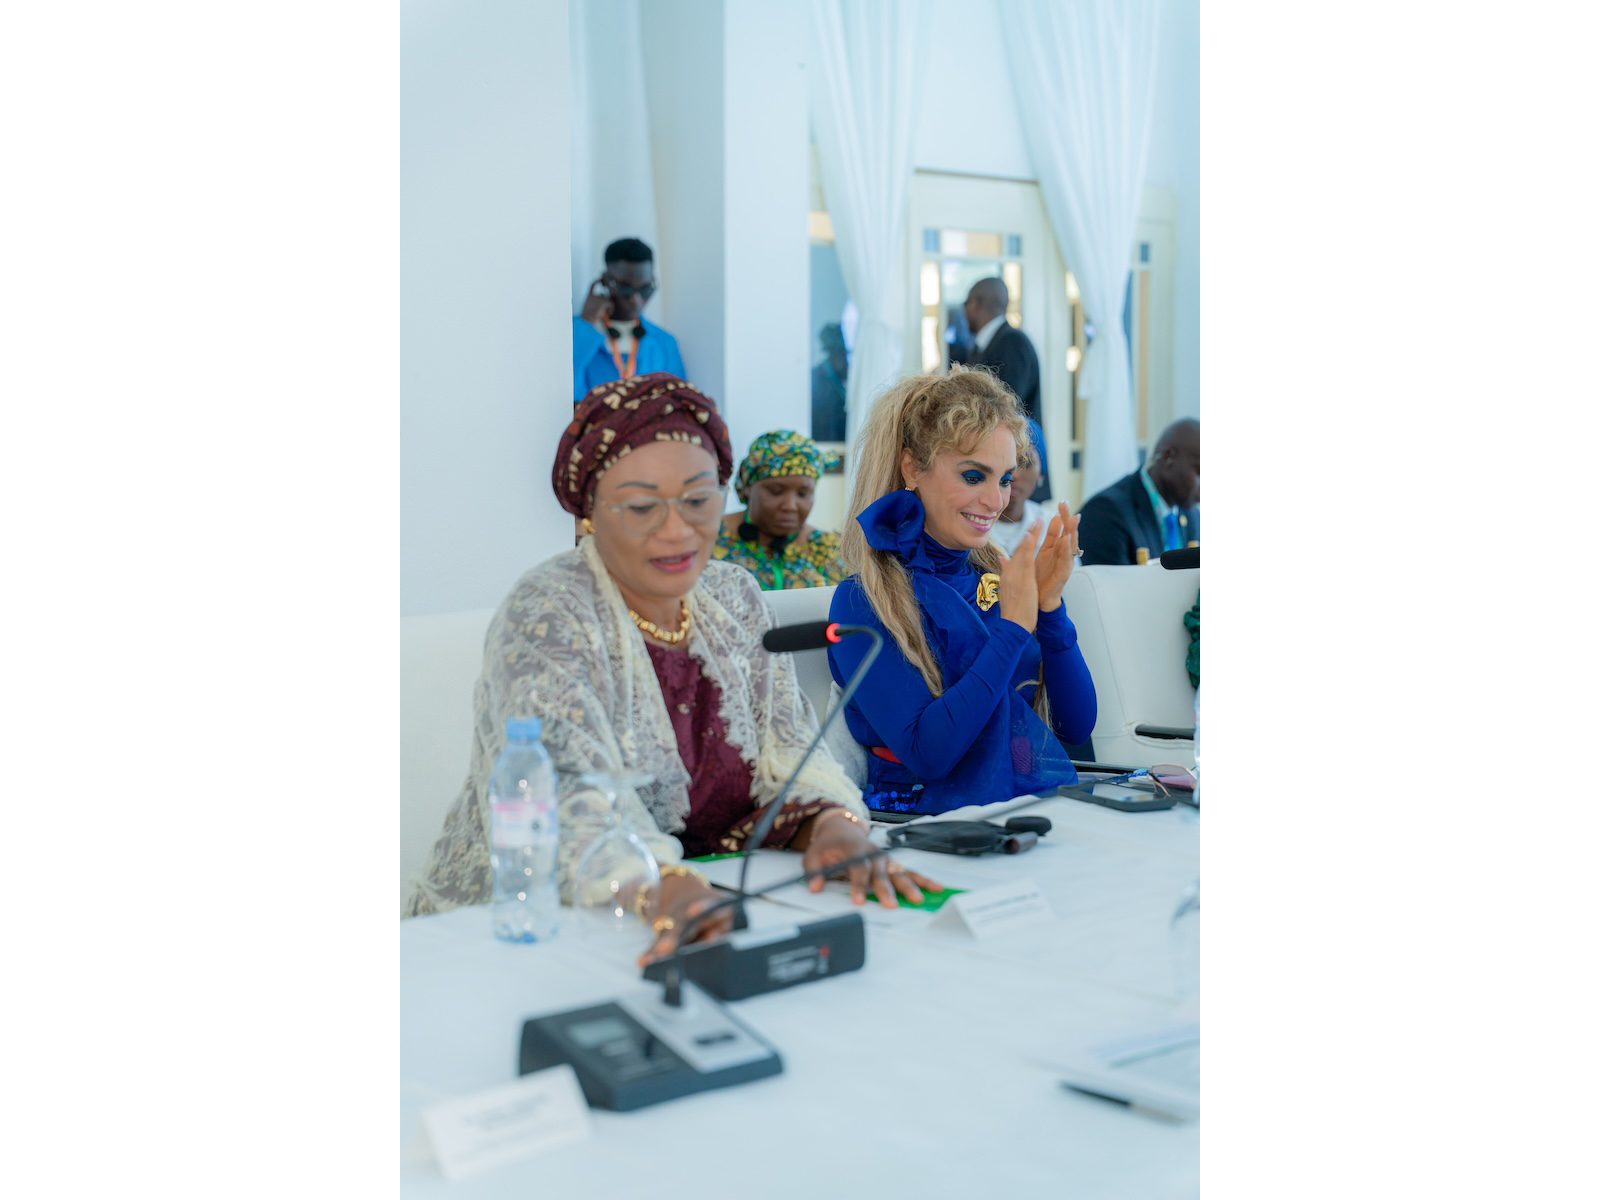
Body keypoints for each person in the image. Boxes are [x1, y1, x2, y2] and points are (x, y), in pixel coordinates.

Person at [409, 373, 936, 960]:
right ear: (588, 512)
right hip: (531, 927)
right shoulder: (549, 612)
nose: (677, 529)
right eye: (641, 506)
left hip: (724, 901)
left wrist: (834, 828)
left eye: (698, 499)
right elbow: (565, 801)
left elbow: (791, 751)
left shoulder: (735, 597)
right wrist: (664, 887)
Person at [826, 367, 1097, 815]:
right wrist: (1012, 630)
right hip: (917, 827)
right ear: (912, 468)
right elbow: (930, 755)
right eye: (974, 476)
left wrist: (1049, 608)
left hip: (1023, 809)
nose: (996, 501)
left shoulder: (998, 579)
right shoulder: (864, 601)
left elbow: (1076, 727)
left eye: (1005, 479)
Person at [713, 430, 847, 590]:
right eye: (776, 491)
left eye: (803, 494)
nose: (790, 506)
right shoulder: (710, 538)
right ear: (748, 487)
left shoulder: (829, 550)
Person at [963, 277, 1049, 499]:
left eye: (966, 304)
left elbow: (1006, 409)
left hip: (1016, 470)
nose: (964, 312)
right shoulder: (985, 345)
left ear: (976, 303)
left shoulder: (1012, 343)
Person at [571, 238, 686, 404]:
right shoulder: (576, 334)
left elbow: (682, 403)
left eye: (645, 289)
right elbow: (560, 393)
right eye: (625, 288)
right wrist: (586, 323)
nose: (635, 300)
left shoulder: (664, 342)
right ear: (604, 281)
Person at [1077, 417, 1200, 566]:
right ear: (1168, 458)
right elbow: (1112, 581)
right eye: (1200, 472)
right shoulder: (1105, 513)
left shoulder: (1191, 515)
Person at [990, 418, 1048, 556]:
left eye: (1026, 463)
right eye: (1002, 461)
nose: (1014, 475)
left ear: (1041, 473)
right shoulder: (966, 524)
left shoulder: (1053, 526)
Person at [809, 323, 848, 442]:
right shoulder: (817, 379)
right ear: (833, 352)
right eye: (843, 354)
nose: (846, 362)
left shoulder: (837, 377)